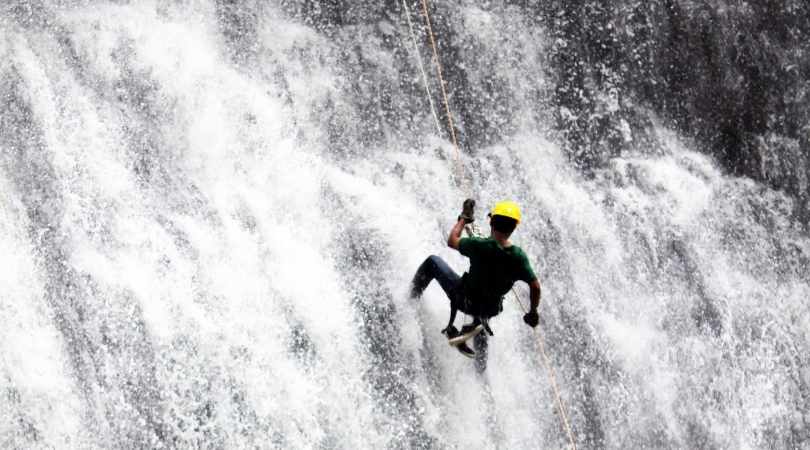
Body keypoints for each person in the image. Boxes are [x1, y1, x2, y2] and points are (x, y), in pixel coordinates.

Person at [409, 199, 541, 369]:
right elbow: (535, 286)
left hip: (464, 299)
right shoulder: (518, 257)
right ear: (514, 227)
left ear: (491, 222)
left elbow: (452, 240)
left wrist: (463, 219)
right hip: (489, 309)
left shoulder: (480, 245)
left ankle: (409, 301)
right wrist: (533, 311)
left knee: (432, 261)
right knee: (482, 315)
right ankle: (481, 368)